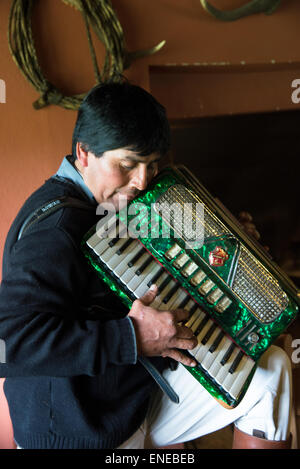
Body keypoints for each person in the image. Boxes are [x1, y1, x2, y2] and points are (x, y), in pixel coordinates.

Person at [0, 80, 292, 449]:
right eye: (127, 164)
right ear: (84, 153)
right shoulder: (56, 230)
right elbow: (7, 344)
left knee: (270, 371)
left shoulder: (113, 204)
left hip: (127, 396)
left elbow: (159, 267)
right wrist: (133, 337)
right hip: (78, 432)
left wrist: (231, 251)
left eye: (151, 165)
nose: (141, 181)